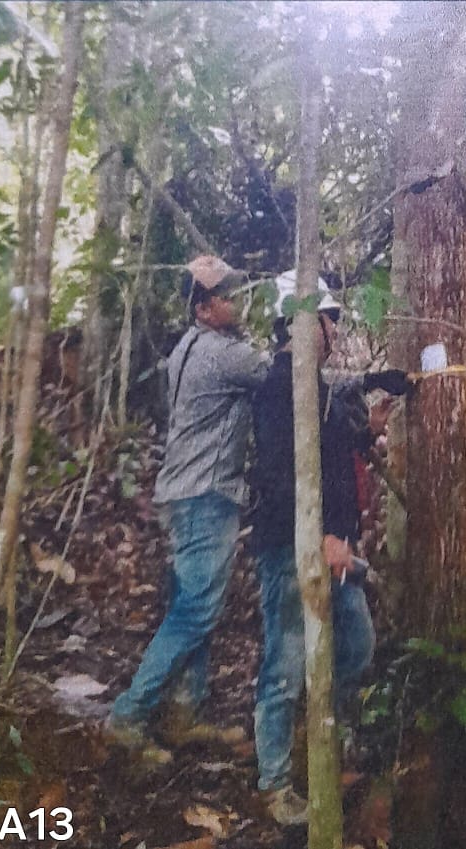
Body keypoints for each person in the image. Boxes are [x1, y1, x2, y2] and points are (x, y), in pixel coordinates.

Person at [249, 270, 409, 826]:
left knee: (357, 646)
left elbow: (329, 453)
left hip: (335, 549)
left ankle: (321, 742)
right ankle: (274, 783)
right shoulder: (278, 389)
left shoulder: (314, 386)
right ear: (300, 322)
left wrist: (369, 429)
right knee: (285, 661)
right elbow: (276, 476)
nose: (335, 331)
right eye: (329, 320)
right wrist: (320, 540)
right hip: (290, 548)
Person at [108, 255, 269, 762]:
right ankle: (128, 715)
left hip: (182, 491)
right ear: (202, 309)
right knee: (195, 610)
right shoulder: (224, 354)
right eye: (225, 295)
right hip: (205, 494)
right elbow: (287, 375)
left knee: (190, 604)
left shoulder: (187, 348)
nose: (236, 301)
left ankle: (184, 712)